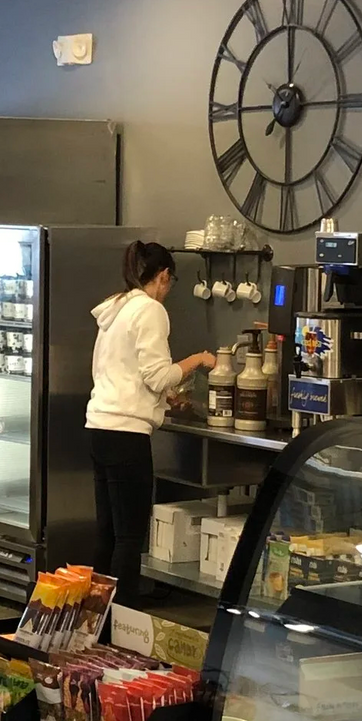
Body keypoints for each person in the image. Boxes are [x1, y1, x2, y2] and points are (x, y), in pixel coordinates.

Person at [85, 241, 214, 606]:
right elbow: (158, 376)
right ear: (162, 276)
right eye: (170, 282)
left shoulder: (116, 308)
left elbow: (124, 372)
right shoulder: (150, 310)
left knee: (108, 533)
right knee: (130, 536)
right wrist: (199, 359)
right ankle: (122, 620)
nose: (168, 291)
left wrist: (166, 398)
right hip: (127, 435)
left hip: (99, 426)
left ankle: (96, 622)